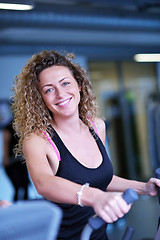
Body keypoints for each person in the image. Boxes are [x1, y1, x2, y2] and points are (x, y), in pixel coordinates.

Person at [11, 50, 160, 240]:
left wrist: (144, 188)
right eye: (49, 89)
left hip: (98, 235)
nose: (60, 93)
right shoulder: (38, 140)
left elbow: (99, 178)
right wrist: (96, 197)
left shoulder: (97, 126)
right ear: (40, 98)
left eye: (65, 83)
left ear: (79, 85)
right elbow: (43, 183)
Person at [3, 120, 30, 201]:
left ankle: (25, 206)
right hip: (12, 163)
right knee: (17, 187)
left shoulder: (24, 126)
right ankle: (16, 208)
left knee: (25, 186)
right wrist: (6, 158)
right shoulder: (8, 128)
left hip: (21, 161)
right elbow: (5, 144)